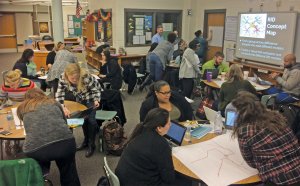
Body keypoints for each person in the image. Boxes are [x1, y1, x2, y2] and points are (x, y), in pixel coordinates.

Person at [231, 91, 300, 186]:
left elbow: (251, 163)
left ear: (240, 112)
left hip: (278, 180)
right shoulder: (276, 117)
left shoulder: (245, 130)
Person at [17, 88, 81, 186]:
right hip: (65, 144)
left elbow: (26, 122)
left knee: (39, 161)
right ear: (43, 94)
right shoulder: (54, 102)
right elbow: (64, 121)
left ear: (26, 98)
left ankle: (41, 175)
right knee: (69, 172)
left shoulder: (22, 107)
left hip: (38, 150)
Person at [116, 108, 187, 186]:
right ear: (159, 128)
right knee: (185, 181)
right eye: (169, 123)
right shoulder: (160, 144)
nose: (170, 125)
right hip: (137, 182)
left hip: (125, 179)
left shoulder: (139, 132)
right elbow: (169, 178)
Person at [56, 63, 101, 157]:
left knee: (91, 121)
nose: (75, 80)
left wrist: (96, 100)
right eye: (72, 79)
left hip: (91, 96)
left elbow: (96, 90)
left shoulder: (86, 76)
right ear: (67, 75)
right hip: (80, 98)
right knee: (83, 119)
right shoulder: (62, 77)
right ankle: (86, 141)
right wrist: (63, 107)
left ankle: (91, 145)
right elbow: (59, 94)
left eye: (76, 78)